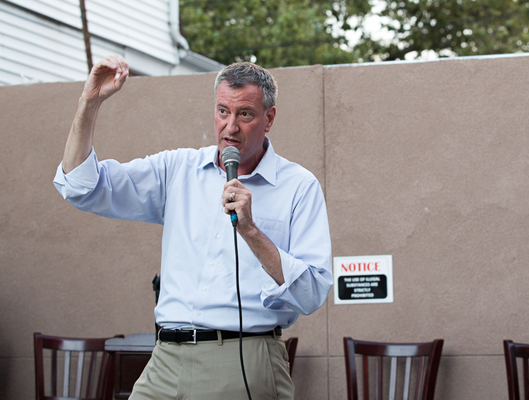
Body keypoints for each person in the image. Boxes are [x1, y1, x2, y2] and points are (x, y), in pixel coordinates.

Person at [53, 55, 333, 400]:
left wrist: (251, 232)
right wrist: (89, 103)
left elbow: (312, 293)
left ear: (269, 118)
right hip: (166, 358)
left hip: (242, 358)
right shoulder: (177, 169)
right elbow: (82, 187)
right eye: (222, 112)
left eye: (244, 114)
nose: (230, 127)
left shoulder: (298, 186)